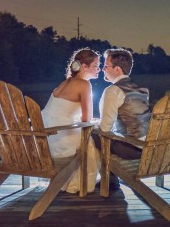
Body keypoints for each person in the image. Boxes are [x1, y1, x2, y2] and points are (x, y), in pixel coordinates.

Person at [41, 48, 102, 194]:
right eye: (95, 66)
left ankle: (65, 180)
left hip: (50, 139)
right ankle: (80, 184)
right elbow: (86, 119)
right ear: (84, 67)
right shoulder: (84, 84)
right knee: (91, 143)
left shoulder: (66, 82)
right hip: (62, 140)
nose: (98, 69)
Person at [93, 48, 151, 189]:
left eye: (106, 66)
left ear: (117, 69)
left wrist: (94, 125)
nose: (103, 69)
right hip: (149, 146)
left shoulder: (112, 91)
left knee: (93, 134)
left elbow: (105, 129)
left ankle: (110, 180)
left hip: (131, 149)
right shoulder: (143, 89)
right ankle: (112, 177)